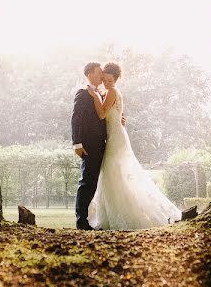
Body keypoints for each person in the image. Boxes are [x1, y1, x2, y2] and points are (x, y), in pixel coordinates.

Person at [85, 62, 183, 230]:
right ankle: (112, 214)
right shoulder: (109, 91)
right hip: (115, 136)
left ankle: (126, 214)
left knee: (114, 174)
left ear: (115, 80)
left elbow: (101, 114)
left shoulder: (112, 91)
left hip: (116, 139)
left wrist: (94, 96)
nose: (106, 83)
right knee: (114, 175)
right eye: (104, 80)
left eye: (109, 80)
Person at [71, 62, 107, 230]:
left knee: (94, 183)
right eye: (99, 72)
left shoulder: (100, 93)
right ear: (89, 74)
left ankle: (89, 219)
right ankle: (81, 221)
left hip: (101, 144)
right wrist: (77, 143)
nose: (102, 75)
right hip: (88, 145)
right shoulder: (83, 93)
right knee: (86, 182)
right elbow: (76, 119)